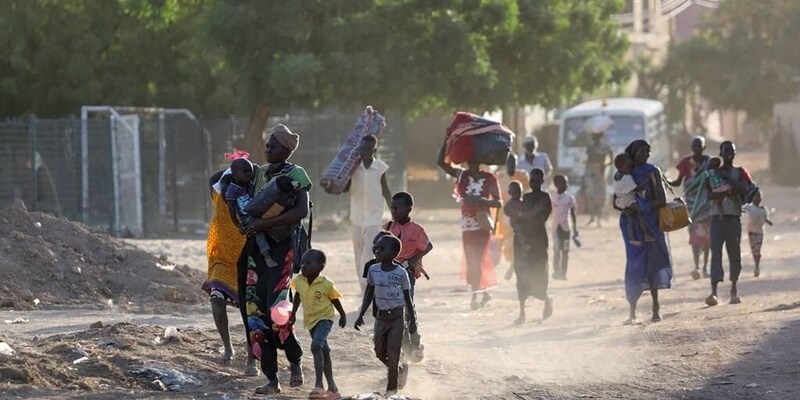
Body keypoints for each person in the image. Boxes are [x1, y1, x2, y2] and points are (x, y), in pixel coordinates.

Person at [237, 123, 312, 395]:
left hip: (283, 249)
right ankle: (271, 378)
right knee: (255, 313)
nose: (267, 149)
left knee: (278, 312)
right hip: (256, 251)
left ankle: (295, 360)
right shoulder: (258, 174)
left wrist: (265, 225)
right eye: (267, 145)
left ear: (286, 150)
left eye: (273, 146)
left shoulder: (296, 174)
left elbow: (301, 211)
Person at [437, 141, 502, 310]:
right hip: (467, 223)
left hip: (482, 222)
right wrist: (447, 141)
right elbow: (441, 163)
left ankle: (476, 295)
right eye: (469, 160)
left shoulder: (489, 178)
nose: (471, 163)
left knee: (477, 257)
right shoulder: (462, 175)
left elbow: (498, 202)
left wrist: (482, 200)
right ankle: (482, 292)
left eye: (474, 160)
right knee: (472, 258)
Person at [614, 140, 672, 324]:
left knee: (653, 266)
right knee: (634, 266)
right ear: (633, 152)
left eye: (648, 151)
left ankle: (656, 309)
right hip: (632, 228)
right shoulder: (624, 173)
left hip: (651, 225)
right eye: (641, 151)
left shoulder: (653, 171)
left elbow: (661, 200)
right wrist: (627, 208)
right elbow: (615, 201)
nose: (645, 154)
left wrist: (642, 207)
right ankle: (632, 312)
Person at [203, 165, 255, 372]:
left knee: (249, 312)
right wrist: (234, 165)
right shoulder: (217, 195)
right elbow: (213, 178)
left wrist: (245, 168)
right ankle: (228, 348)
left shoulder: (249, 199)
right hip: (222, 259)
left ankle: (252, 358)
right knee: (216, 299)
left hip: (247, 259)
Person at [355, 235, 418, 397]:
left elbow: (407, 299)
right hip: (381, 317)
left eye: (382, 249)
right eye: (376, 248)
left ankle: (392, 390)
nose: (377, 251)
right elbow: (369, 293)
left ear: (394, 252)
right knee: (378, 350)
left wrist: (412, 322)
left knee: (393, 352)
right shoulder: (373, 270)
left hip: (397, 316)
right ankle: (397, 370)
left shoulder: (401, 273)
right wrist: (361, 314)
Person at [289, 249, 346, 400]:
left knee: (316, 346)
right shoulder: (299, 280)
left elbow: (334, 299)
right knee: (324, 351)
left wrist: (343, 314)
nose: (303, 266)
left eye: (308, 263)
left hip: (324, 319)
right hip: (310, 321)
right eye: (302, 263)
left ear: (320, 267)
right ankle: (332, 388)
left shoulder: (326, 283)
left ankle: (319, 385)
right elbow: (298, 296)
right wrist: (293, 313)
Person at [384, 191, 432, 362]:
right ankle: (404, 346)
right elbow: (379, 247)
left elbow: (428, 246)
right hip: (389, 275)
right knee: (395, 311)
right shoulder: (388, 228)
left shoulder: (417, 230)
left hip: (408, 275)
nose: (394, 211)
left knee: (408, 308)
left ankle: (416, 342)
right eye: (392, 208)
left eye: (398, 208)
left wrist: (413, 259)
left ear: (409, 209)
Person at [705, 141, 752, 306]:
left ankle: (734, 290)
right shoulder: (712, 173)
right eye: (726, 151)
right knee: (716, 254)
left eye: (731, 151)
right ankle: (714, 292)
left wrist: (727, 180)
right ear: (721, 153)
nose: (729, 154)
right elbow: (707, 195)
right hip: (716, 218)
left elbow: (745, 189)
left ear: (735, 153)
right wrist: (728, 191)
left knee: (734, 255)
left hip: (733, 217)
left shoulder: (740, 172)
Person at [504, 168, 553, 325]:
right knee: (522, 273)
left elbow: (531, 214)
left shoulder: (545, 198)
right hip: (522, 240)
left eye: (538, 181)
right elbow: (509, 209)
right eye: (532, 180)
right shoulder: (526, 197)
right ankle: (522, 312)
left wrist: (519, 215)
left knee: (539, 273)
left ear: (542, 181)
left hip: (538, 240)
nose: (534, 183)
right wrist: (519, 216)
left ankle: (546, 299)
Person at [345, 134, 392, 292]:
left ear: (374, 150)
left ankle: (367, 285)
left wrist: (394, 210)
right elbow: (344, 188)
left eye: (368, 149)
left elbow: (385, 190)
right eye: (362, 148)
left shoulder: (380, 167)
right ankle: (363, 288)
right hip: (356, 216)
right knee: (358, 252)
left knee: (368, 252)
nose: (364, 151)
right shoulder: (353, 167)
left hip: (374, 217)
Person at [668, 136, 712, 280]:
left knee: (707, 237)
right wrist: (664, 180)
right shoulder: (686, 163)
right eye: (695, 147)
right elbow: (678, 182)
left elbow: (714, 179)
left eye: (699, 147)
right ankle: (697, 267)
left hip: (706, 204)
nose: (697, 150)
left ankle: (705, 267)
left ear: (704, 148)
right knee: (694, 236)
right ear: (691, 148)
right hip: (692, 205)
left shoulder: (709, 162)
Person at [225, 158, 277, 267]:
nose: (249, 174)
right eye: (245, 172)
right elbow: (231, 209)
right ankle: (266, 255)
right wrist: (238, 224)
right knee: (258, 232)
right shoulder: (232, 189)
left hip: (258, 211)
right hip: (247, 218)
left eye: (250, 171)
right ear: (235, 174)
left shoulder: (250, 184)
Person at [495, 154, 530, 278]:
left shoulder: (522, 176)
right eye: (509, 162)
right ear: (505, 163)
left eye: (513, 162)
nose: (511, 164)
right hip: (503, 216)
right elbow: (495, 197)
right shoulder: (499, 176)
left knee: (518, 242)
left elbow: (527, 194)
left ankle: (513, 267)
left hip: (518, 215)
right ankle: (512, 265)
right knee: (505, 245)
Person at [612, 153, 654, 245]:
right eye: (628, 167)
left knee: (631, 218)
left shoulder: (616, 176)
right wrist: (647, 180)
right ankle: (646, 234)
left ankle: (632, 238)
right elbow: (637, 188)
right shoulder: (627, 177)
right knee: (640, 213)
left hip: (619, 201)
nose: (630, 169)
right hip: (628, 200)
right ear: (622, 167)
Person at [550, 175, 579, 280]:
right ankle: (556, 271)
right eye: (563, 183)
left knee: (565, 251)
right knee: (557, 250)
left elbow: (573, 213)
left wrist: (575, 229)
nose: (566, 185)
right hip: (555, 227)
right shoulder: (552, 197)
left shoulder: (569, 198)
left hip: (566, 227)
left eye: (566, 183)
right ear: (557, 185)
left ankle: (563, 272)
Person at [582, 132, 614, 227]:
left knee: (601, 195)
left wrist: (604, 165)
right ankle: (593, 217)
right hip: (591, 171)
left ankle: (600, 218)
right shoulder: (590, 146)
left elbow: (611, 159)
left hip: (600, 172)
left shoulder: (605, 146)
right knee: (591, 194)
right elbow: (588, 159)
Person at [742, 190, 772, 277]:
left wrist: (768, 222)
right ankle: (756, 266)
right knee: (753, 250)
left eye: (758, 197)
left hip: (759, 232)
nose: (757, 199)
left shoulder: (763, 210)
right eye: (755, 197)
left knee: (757, 250)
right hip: (751, 232)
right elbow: (742, 209)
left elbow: (765, 219)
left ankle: (757, 267)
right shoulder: (749, 207)